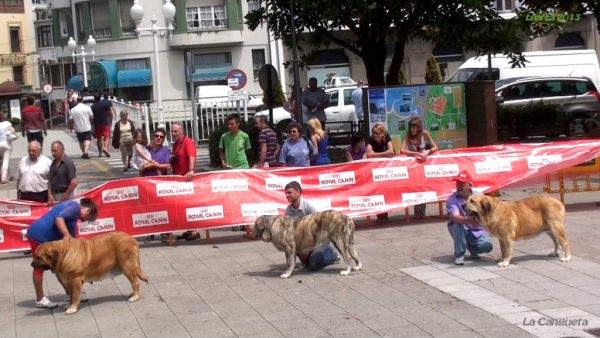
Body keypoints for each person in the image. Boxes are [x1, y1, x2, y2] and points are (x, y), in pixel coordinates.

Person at [26, 198, 98, 309]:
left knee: (59, 266)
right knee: (40, 267)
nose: (84, 220)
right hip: (39, 235)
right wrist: (66, 235)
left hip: (36, 232)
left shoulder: (70, 207)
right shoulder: (75, 207)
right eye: (88, 218)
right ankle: (40, 299)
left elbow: (73, 239)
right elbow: (58, 218)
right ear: (87, 210)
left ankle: (72, 294)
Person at [284, 181, 339, 271]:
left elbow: (320, 226)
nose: (287, 195)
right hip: (303, 243)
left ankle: (333, 254)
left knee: (313, 265)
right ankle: (308, 259)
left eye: (289, 192)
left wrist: (307, 249)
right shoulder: (288, 210)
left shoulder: (309, 206)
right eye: (286, 193)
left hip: (319, 241)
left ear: (298, 192)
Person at [446, 171, 494, 265]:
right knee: (458, 225)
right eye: (457, 183)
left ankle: (473, 249)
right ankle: (459, 255)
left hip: (477, 230)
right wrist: (470, 220)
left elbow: (488, 212)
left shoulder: (479, 196)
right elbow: (455, 217)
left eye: (461, 184)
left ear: (470, 185)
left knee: (487, 247)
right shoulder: (452, 199)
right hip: (461, 228)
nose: (458, 186)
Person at [400, 117, 439, 219]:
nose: (412, 130)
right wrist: (415, 153)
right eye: (411, 127)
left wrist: (427, 151)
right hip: (413, 165)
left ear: (419, 128)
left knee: (423, 187)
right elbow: (402, 150)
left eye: (414, 127)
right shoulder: (408, 134)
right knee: (415, 187)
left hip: (423, 164)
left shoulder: (424, 133)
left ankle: (423, 211)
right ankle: (416, 210)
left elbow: (435, 147)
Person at [141, 128, 172, 243]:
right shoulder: (146, 150)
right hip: (146, 183)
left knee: (162, 208)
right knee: (148, 209)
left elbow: (168, 166)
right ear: (153, 137)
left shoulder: (165, 151)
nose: (158, 138)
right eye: (156, 136)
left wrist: (154, 166)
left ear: (164, 139)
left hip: (160, 184)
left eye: (161, 136)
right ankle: (150, 233)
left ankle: (164, 232)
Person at [171, 122, 200, 241]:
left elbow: (191, 157)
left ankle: (195, 231)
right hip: (179, 180)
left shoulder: (188, 142)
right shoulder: (176, 144)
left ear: (181, 130)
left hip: (187, 180)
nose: (173, 134)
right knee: (183, 207)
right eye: (172, 131)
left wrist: (191, 170)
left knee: (190, 205)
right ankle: (188, 229)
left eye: (176, 131)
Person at [367, 123, 395, 223]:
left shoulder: (386, 137)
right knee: (376, 191)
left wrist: (376, 155)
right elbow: (369, 154)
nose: (375, 135)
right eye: (373, 133)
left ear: (382, 133)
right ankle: (379, 215)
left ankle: (385, 214)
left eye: (377, 133)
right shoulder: (370, 139)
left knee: (385, 191)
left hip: (386, 169)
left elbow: (391, 151)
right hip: (375, 169)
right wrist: (384, 154)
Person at [48, 141, 78, 205]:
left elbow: (74, 182)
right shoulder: (53, 163)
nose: (53, 153)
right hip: (55, 196)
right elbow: (50, 180)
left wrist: (66, 195)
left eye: (55, 151)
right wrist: (50, 194)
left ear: (62, 150)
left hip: (66, 195)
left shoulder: (68, 163)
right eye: (52, 151)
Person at [91, 92, 113, 158]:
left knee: (99, 138)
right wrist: (110, 120)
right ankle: (105, 148)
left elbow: (92, 117)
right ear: (100, 98)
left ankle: (100, 153)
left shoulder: (92, 107)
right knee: (107, 137)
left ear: (94, 99)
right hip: (105, 122)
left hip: (97, 124)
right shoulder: (105, 104)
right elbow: (110, 113)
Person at [0, 110, 15, 183]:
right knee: (5, 161)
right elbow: (13, 131)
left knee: (3, 160)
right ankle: (3, 178)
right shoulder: (7, 123)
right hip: (7, 144)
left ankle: (9, 175)